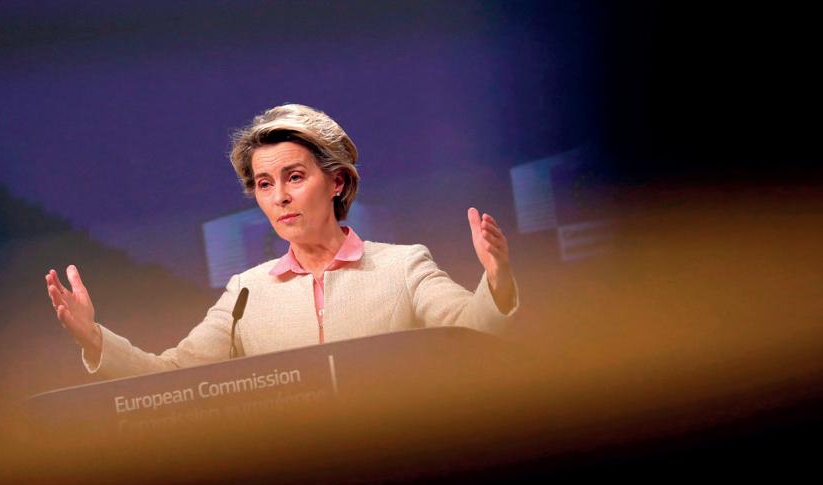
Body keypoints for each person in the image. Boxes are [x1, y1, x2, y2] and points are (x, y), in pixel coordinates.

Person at [46, 104, 518, 380]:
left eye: (294, 177)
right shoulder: (246, 293)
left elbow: (473, 334)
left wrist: (496, 280)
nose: (280, 198)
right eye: (264, 184)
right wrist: (94, 338)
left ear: (336, 182)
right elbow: (172, 378)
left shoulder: (404, 267)